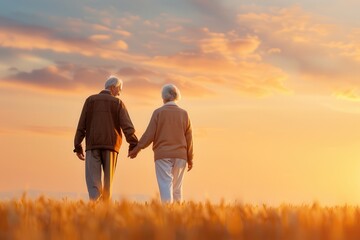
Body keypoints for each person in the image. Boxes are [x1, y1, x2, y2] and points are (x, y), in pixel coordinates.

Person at [73, 75, 138, 201]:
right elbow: (127, 126)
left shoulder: (90, 101)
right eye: (119, 89)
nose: (119, 93)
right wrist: (133, 144)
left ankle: (95, 205)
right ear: (113, 87)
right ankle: (106, 208)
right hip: (111, 147)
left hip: (93, 146)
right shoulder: (118, 103)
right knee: (108, 181)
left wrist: (78, 146)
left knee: (93, 181)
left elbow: (81, 125)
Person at [129, 84, 193, 203]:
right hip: (181, 155)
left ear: (163, 97)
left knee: (165, 184)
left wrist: (137, 148)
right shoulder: (184, 114)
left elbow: (149, 134)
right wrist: (190, 158)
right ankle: (178, 215)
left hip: (162, 154)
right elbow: (189, 138)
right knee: (177, 188)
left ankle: (167, 212)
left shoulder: (158, 112)